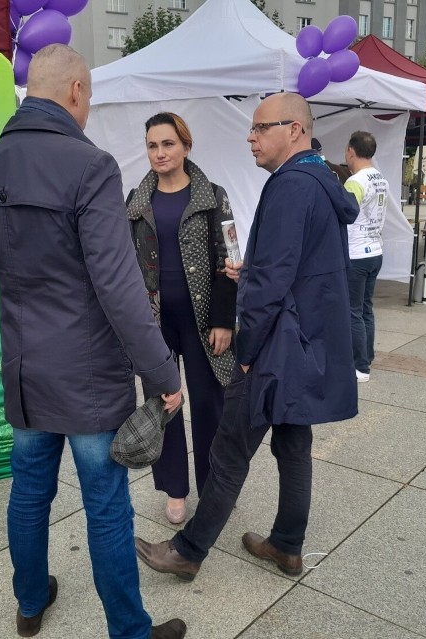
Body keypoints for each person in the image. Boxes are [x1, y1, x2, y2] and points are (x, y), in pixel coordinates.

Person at [0, 44, 187, 639]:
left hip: (26, 374)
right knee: (106, 506)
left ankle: (30, 605)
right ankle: (130, 632)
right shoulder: (91, 166)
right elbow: (119, 288)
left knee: (29, 491)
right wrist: (164, 373)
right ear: (77, 92)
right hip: (87, 380)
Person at [134, 92, 358, 582]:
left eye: (260, 128)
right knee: (293, 445)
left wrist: (247, 348)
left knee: (229, 449)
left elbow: (275, 282)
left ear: (294, 130)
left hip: (278, 343)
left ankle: (188, 551)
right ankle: (287, 545)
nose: (250, 137)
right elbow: (296, 268)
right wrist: (251, 270)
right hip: (307, 340)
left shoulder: (291, 186)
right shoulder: (321, 180)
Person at [127, 112, 237, 525]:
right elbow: (123, 262)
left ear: (186, 147)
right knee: (163, 403)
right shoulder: (136, 201)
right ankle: (175, 488)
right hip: (154, 322)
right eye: (153, 145)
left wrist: (225, 319)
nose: (160, 153)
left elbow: (232, 259)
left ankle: (214, 487)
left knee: (210, 403)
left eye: (168, 144)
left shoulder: (213, 196)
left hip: (204, 318)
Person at [343, 131, 388, 383]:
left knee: (353, 311)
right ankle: (366, 357)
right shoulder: (380, 178)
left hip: (357, 253)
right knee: (366, 309)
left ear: (351, 151)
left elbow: (346, 212)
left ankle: (360, 367)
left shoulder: (355, 181)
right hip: (375, 250)